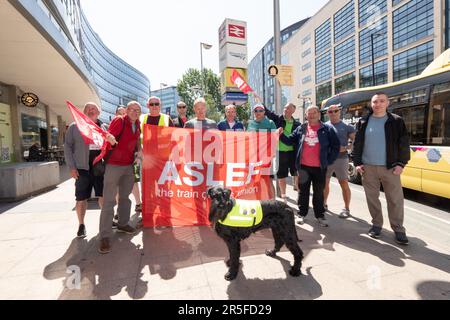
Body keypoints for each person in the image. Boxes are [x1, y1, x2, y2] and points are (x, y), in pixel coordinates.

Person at [353, 93, 411, 245]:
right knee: (372, 199)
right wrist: (357, 163)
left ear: (387, 103)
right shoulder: (363, 121)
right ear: (371, 104)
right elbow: (357, 144)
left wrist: (401, 164)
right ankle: (377, 225)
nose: (378, 104)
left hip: (390, 168)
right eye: (375, 102)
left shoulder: (396, 121)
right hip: (368, 168)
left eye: (381, 101)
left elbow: (404, 144)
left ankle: (398, 229)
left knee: (395, 200)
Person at [279, 105, 340, 227]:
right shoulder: (301, 128)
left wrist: (328, 161)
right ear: (306, 115)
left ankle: (320, 215)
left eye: (314, 112)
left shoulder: (327, 129)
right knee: (303, 192)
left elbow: (335, 146)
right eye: (309, 113)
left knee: (318, 192)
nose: (311, 115)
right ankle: (302, 214)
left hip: (320, 167)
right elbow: (289, 140)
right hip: (303, 167)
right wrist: (280, 134)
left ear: (318, 114)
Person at [98, 101, 142, 254]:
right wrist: (109, 140)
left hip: (128, 165)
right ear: (127, 111)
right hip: (114, 165)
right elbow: (108, 138)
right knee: (109, 200)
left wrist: (139, 151)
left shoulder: (137, 124)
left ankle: (123, 224)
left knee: (125, 197)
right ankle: (104, 236)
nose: (135, 112)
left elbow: (137, 140)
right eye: (132, 110)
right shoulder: (119, 121)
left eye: (138, 110)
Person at [64, 102, 108, 238]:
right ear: (83, 112)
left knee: (103, 196)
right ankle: (81, 225)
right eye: (87, 109)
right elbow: (67, 147)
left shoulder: (104, 127)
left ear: (98, 112)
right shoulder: (74, 127)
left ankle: (105, 222)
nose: (91, 110)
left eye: (93, 108)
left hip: (99, 166)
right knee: (81, 198)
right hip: (82, 168)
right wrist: (72, 167)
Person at [323, 104, 356, 218]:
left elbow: (355, 140)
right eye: (330, 111)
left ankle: (346, 208)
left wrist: (346, 147)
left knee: (344, 184)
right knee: (324, 183)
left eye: (335, 111)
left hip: (341, 159)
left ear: (339, 112)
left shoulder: (347, 126)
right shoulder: (324, 126)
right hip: (327, 160)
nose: (333, 113)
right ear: (327, 113)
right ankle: (324, 205)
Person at [264, 103, 301, 202]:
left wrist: (282, 135)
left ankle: (299, 195)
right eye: (285, 107)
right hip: (280, 152)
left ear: (293, 111)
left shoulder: (298, 124)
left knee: (296, 174)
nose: (285, 109)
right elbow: (268, 112)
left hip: (293, 152)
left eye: (288, 108)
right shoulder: (278, 119)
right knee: (281, 175)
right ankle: (284, 196)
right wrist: (259, 101)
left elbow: (296, 139)